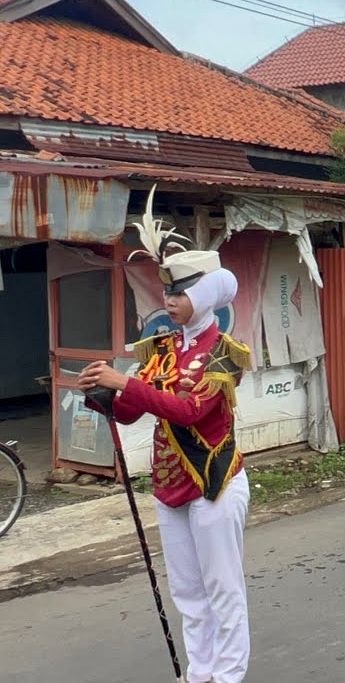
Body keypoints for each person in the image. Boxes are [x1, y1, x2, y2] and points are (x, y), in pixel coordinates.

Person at [77, 199, 253, 683]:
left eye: (180, 291)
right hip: (169, 485)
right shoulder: (160, 349)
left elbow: (191, 410)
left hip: (214, 483)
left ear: (209, 292)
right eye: (167, 291)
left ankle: (229, 676)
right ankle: (200, 674)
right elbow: (136, 411)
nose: (169, 299)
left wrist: (126, 385)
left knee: (222, 590)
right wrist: (105, 395)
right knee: (188, 593)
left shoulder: (226, 351)